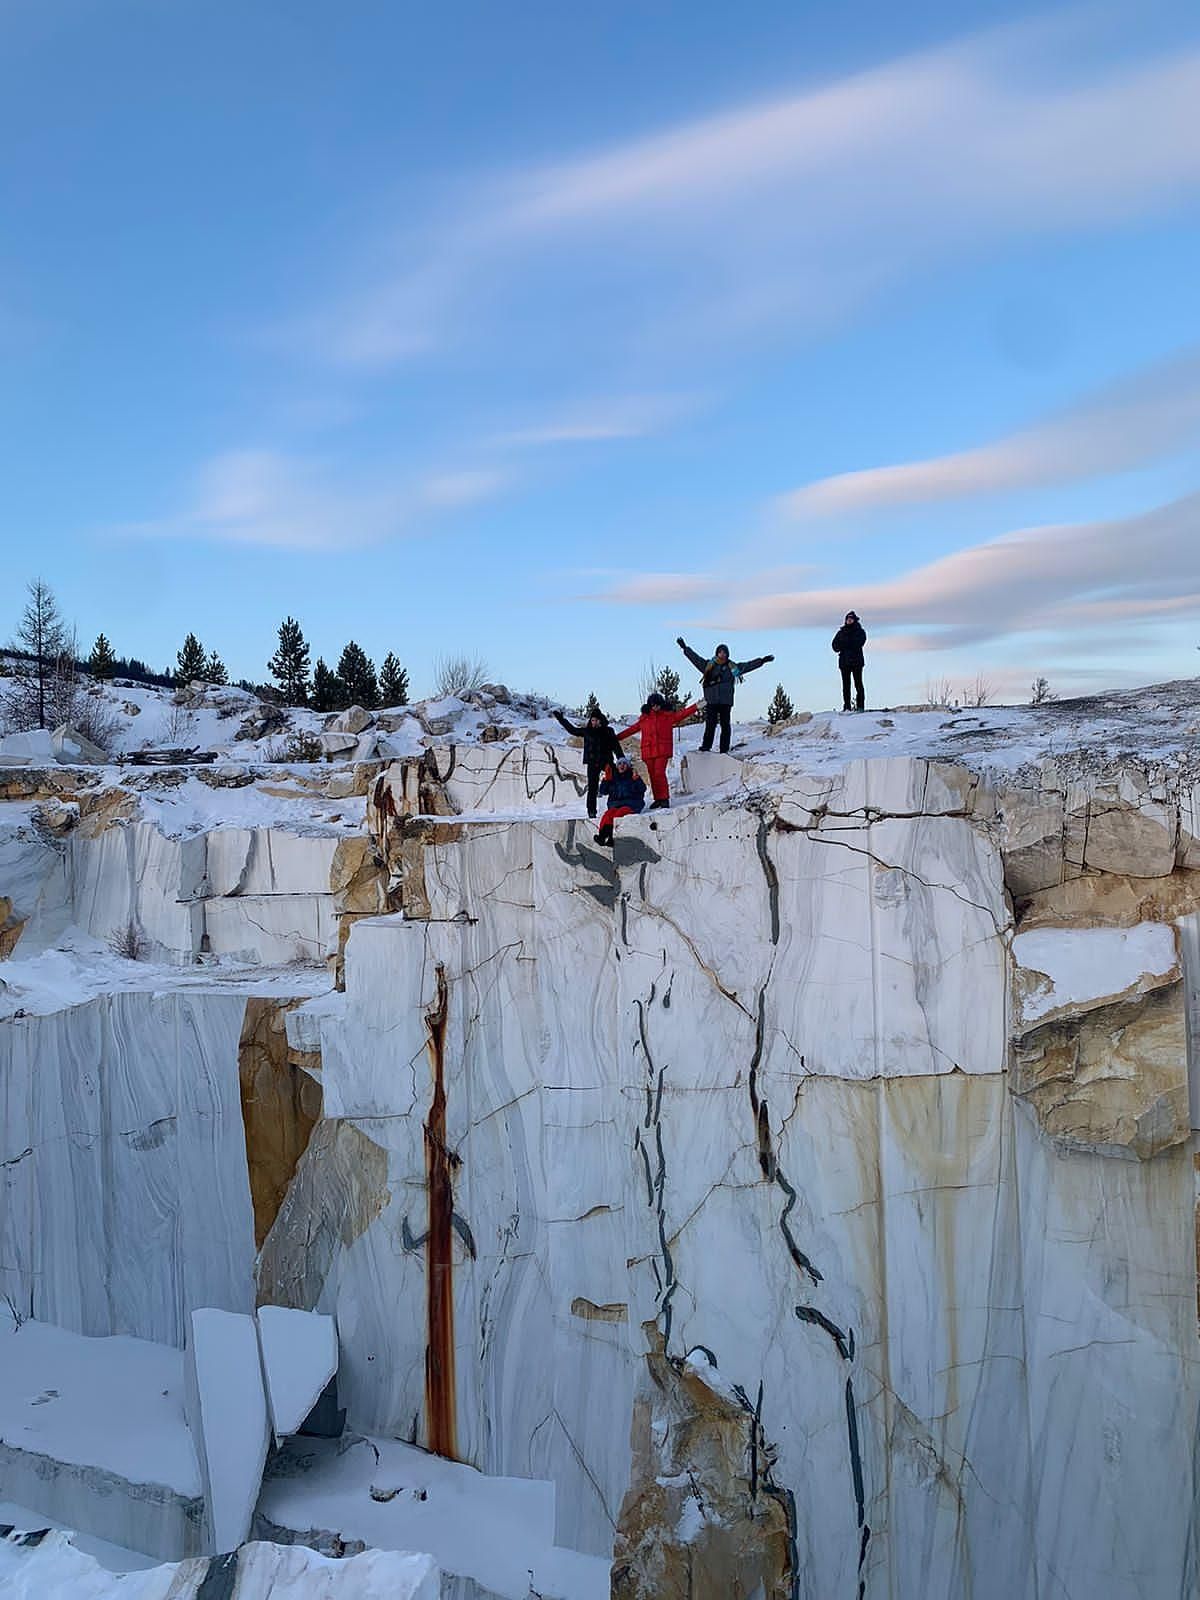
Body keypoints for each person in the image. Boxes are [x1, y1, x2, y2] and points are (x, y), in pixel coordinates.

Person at [676, 638, 774, 753]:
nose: (722, 654)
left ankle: (724, 749)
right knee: (710, 725)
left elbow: (748, 666)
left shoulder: (732, 668)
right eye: (720, 652)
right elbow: (695, 659)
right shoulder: (708, 666)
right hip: (711, 700)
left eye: (724, 652)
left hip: (725, 701)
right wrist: (685, 648)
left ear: (727, 654)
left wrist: (762, 661)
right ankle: (706, 746)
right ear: (716, 653)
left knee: (725, 726)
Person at [616, 691, 699, 810]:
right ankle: (658, 799)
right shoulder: (644, 719)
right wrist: (615, 738)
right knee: (652, 776)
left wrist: (696, 706)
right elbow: (631, 730)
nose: (656, 707)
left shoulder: (667, 716)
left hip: (662, 750)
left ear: (661, 704)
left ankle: (664, 798)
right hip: (648, 751)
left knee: (659, 773)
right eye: (653, 705)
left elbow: (682, 714)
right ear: (650, 705)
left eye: (658, 704)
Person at [552, 705, 624, 819]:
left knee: (616, 782)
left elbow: (616, 746)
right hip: (592, 762)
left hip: (606, 762)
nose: (593, 722)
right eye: (592, 720)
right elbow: (572, 730)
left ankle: (618, 806)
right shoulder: (587, 731)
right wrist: (561, 719)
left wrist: (621, 759)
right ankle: (591, 811)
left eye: (596, 720)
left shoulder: (608, 731)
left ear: (600, 720)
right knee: (592, 787)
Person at [595, 758, 647, 845]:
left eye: (624, 763)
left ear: (628, 766)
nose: (622, 765)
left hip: (632, 804)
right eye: (619, 764)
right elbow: (603, 791)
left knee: (619, 814)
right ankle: (602, 836)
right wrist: (606, 779)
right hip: (615, 805)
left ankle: (612, 838)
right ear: (617, 766)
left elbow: (643, 789)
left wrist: (637, 779)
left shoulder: (632, 776)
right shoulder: (613, 777)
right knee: (608, 815)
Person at [831, 611, 866, 711]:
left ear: (854, 620)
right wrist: (843, 645)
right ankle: (847, 707)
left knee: (858, 684)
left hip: (857, 662)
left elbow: (858, 643)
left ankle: (860, 706)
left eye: (851, 619)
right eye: (847, 619)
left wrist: (845, 644)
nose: (849, 620)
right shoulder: (841, 632)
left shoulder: (860, 631)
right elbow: (834, 645)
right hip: (844, 662)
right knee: (846, 686)